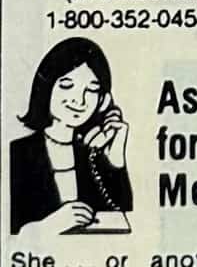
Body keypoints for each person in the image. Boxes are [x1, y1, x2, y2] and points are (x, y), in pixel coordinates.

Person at [8, 35, 135, 234]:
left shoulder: (91, 155)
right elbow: (6, 230)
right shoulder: (18, 153)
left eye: (91, 90)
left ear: (103, 101)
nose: (79, 100)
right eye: (67, 86)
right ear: (45, 88)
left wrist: (116, 160)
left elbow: (122, 215)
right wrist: (49, 226)